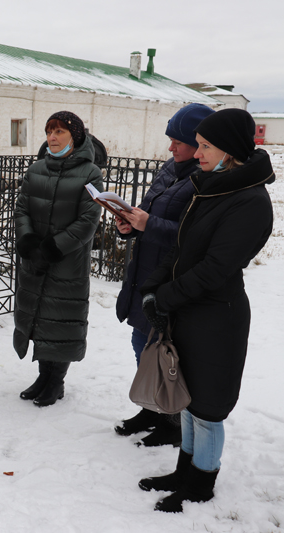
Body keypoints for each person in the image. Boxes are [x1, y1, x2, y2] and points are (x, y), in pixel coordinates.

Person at [138, 108, 274, 513]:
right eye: (197, 145)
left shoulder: (250, 201)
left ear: (229, 150)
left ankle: (201, 483)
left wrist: (165, 298)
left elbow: (216, 268)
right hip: (188, 311)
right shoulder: (211, 188)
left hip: (217, 318)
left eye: (205, 146)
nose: (196, 153)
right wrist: (153, 286)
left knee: (208, 409)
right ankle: (184, 472)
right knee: (188, 398)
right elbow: (182, 249)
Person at [114, 103, 215, 446]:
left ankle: (172, 421)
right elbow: (151, 213)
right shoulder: (171, 168)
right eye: (170, 139)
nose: (171, 147)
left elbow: (195, 238)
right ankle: (151, 408)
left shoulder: (204, 179)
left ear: (199, 144)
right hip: (147, 273)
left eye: (178, 141)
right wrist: (130, 225)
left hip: (171, 280)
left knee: (166, 351)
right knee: (141, 345)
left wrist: (149, 224)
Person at [13, 111, 103, 407]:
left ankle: (56, 381)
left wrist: (52, 248)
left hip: (67, 263)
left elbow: (88, 220)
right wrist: (29, 244)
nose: (52, 137)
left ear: (74, 137)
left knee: (61, 322)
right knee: (39, 319)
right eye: (49, 131)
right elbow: (22, 208)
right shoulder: (37, 169)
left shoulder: (90, 173)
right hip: (35, 261)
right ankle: (43, 377)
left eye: (59, 131)